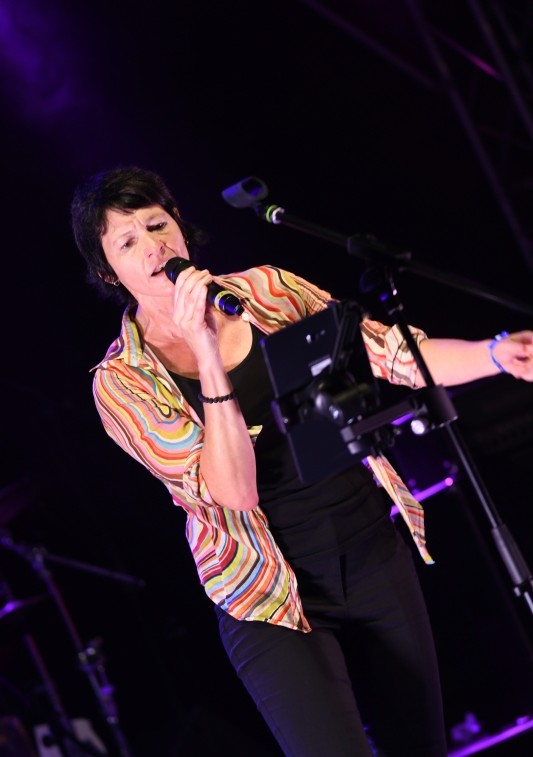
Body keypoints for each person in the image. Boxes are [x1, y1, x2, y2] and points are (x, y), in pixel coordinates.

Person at [72, 166, 533, 757]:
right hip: (266, 594)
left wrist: (495, 352)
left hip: (368, 547)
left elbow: (393, 354)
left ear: (180, 227)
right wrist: (205, 352)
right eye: (128, 241)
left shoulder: (267, 290)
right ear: (109, 272)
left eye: (157, 224)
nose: (154, 246)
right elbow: (232, 491)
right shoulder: (122, 382)